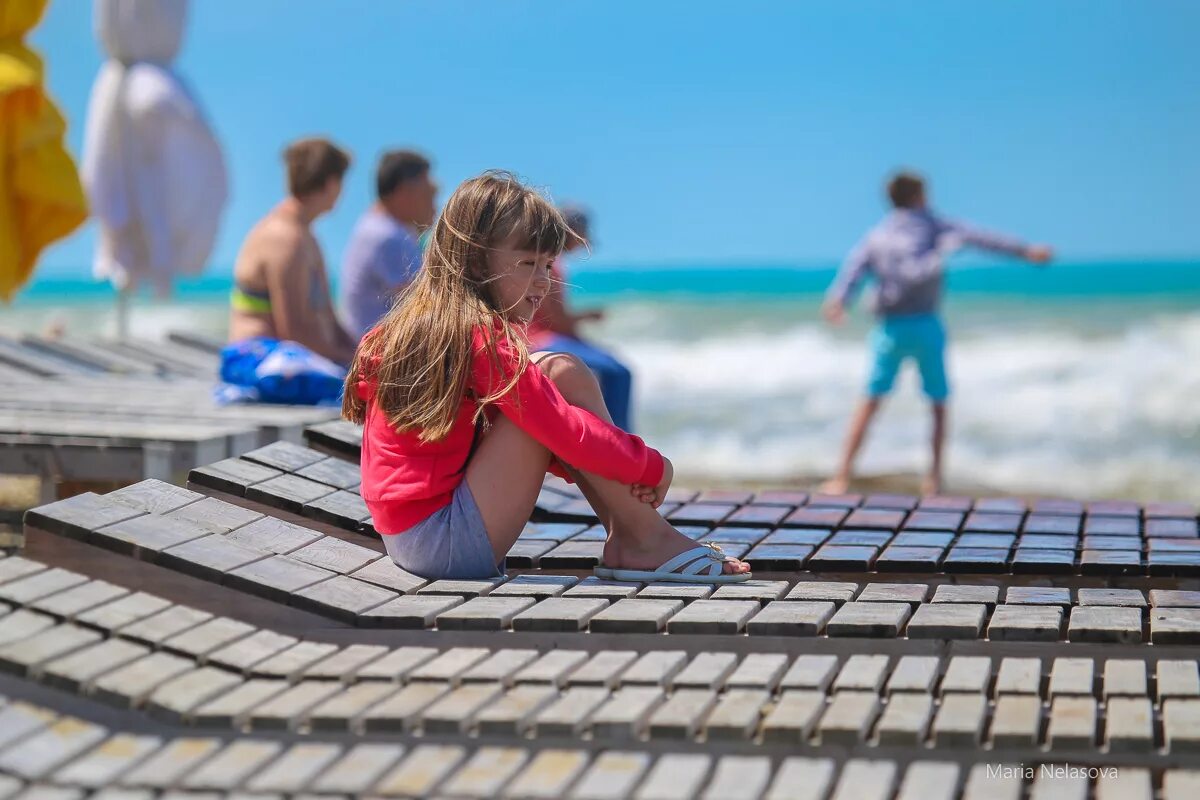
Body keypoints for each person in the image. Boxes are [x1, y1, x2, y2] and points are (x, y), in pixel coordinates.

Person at [343, 171, 750, 584]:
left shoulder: (416, 327)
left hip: (413, 535)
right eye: (527, 263)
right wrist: (650, 467)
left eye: (548, 263)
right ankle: (643, 536)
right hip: (445, 545)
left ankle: (637, 534)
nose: (544, 280)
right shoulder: (479, 337)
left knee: (560, 371)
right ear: (475, 260)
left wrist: (606, 462)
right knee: (552, 394)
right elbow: (562, 430)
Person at [821, 171, 1053, 495]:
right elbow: (981, 237)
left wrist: (838, 301)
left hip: (889, 327)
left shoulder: (879, 234)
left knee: (870, 399)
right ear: (919, 196)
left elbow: (855, 268)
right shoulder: (934, 225)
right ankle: (934, 479)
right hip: (926, 324)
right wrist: (1025, 251)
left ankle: (842, 476)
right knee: (938, 402)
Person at [228, 137, 358, 367]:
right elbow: (294, 333)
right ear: (330, 183)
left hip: (288, 358)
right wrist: (346, 360)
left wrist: (359, 353)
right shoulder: (285, 239)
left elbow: (329, 319)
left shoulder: (306, 236)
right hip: (256, 360)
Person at [527, 206, 636, 431]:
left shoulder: (549, 264)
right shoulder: (549, 266)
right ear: (572, 232)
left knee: (611, 365)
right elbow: (555, 320)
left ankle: (609, 437)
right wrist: (587, 317)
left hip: (544, 337)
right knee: (618, 372)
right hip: (541, 340)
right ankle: (620, 441)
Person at [339, 150, 438, 340]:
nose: (435, 205)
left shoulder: (373, 224)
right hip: (379, 357)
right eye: (429, 194)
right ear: (404, 193)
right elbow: (431, 307)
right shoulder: (390, 237)